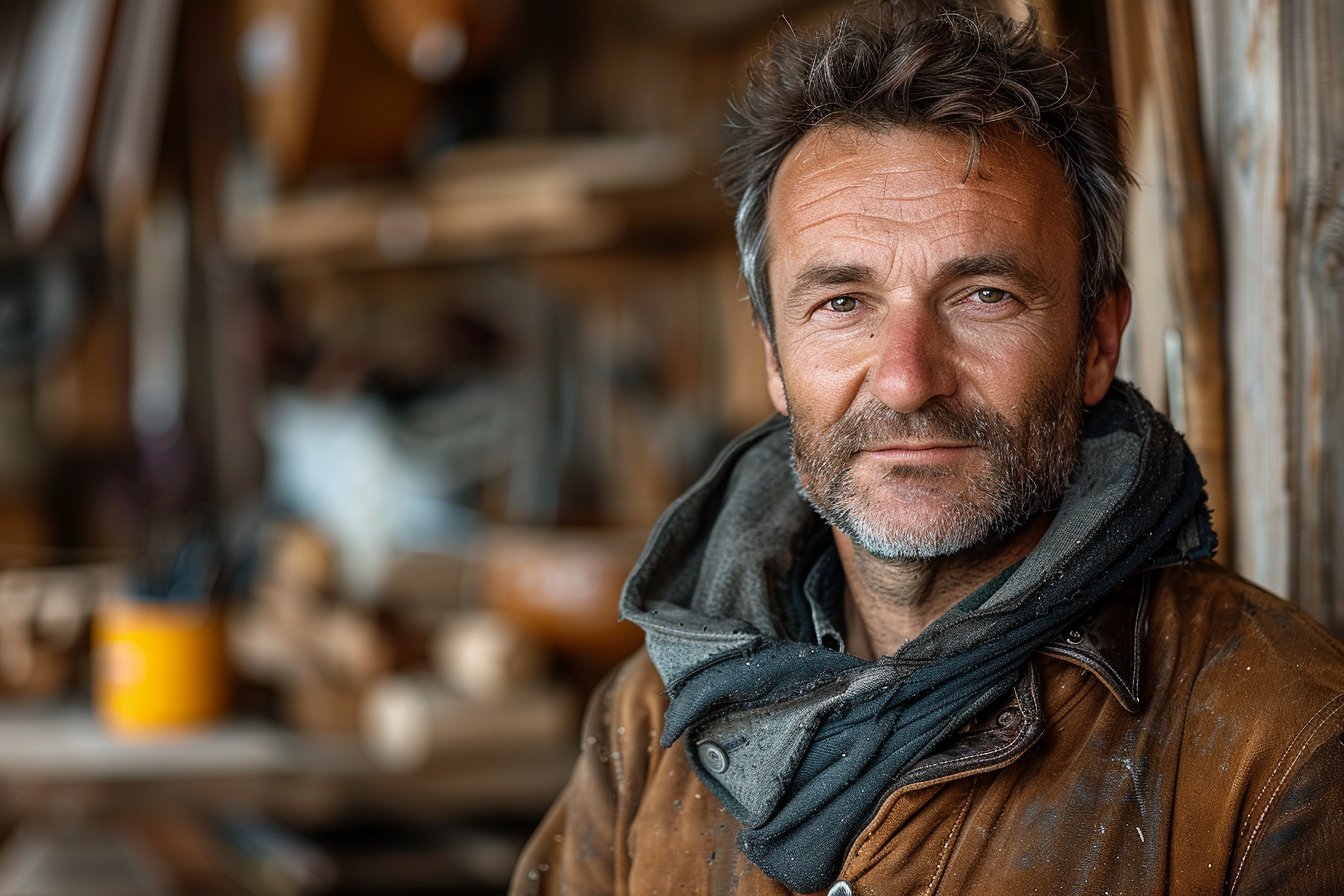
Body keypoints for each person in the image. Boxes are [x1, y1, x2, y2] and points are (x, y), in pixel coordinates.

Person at [510, 2, 1344, 894]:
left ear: (1097, 343)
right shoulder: (655, 718)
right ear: (775, 363)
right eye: (842, 304)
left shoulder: (1281, 746)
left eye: (983, 295)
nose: (909, 380)